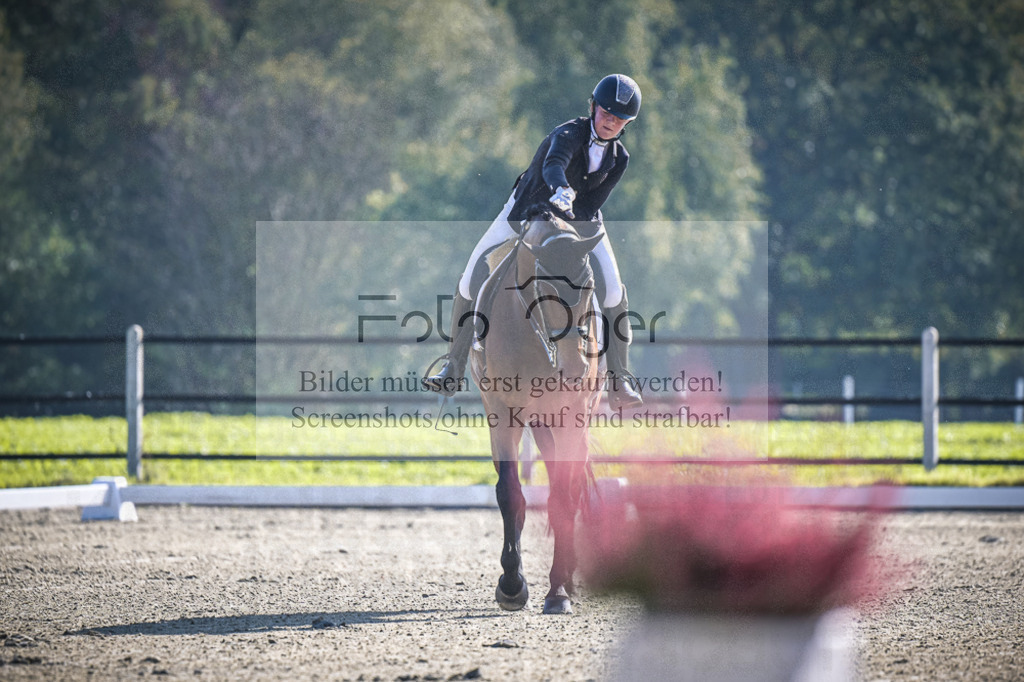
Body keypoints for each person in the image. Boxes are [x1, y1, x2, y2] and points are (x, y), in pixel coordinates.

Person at [424, 74, 644, 409]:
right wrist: (561, 190)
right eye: (606, 113)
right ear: (593, 107)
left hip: (580, 223)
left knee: (613, 290)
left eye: (619, 118)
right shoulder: (567, 134)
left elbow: (593, 202)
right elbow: (553, 166)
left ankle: (619, 379)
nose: (610, 121)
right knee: (471, 277)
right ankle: (452, 365)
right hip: (526, 211)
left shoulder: (620, 158)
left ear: (626, 123)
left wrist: (570, 218)